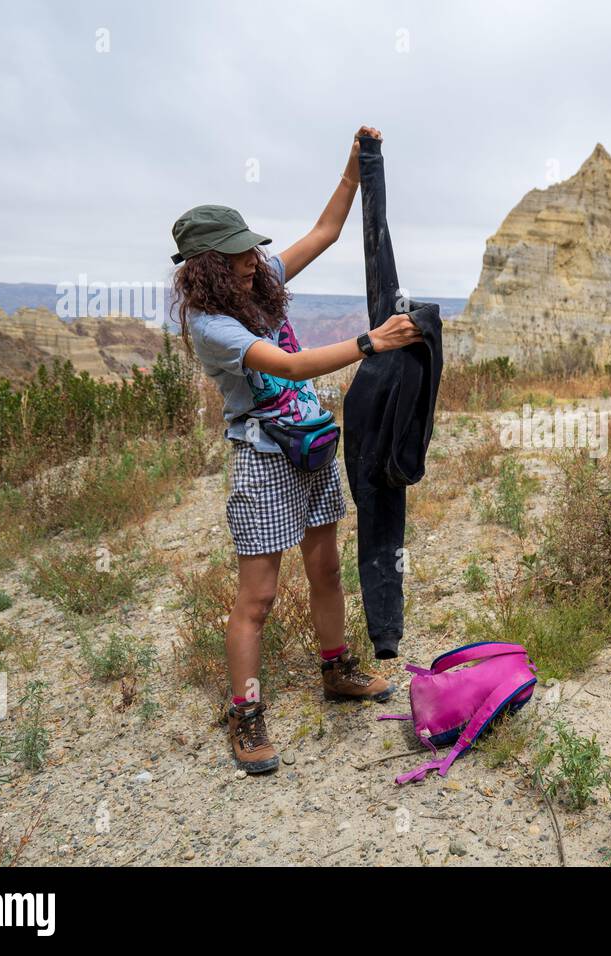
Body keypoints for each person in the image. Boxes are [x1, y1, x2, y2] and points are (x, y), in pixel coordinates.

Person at [171, 126, 422, 774]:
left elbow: (326, 231)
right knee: (257, 598)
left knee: (326, 569)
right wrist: (372, 342)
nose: (252, 260)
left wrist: (354, 167)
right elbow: (289, 366)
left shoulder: (258, 283)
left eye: (251, 249)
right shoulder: (212, 325)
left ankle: (336, 669)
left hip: (310, 447)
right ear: (207, 266)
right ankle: (245, 712)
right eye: (237, 254)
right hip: (264, 461)